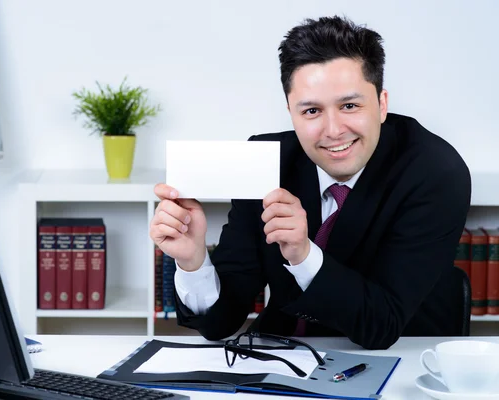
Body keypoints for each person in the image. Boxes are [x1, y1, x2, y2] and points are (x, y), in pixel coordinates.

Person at [149, 15, 471, 350]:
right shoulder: (266, 161)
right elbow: (221, 323)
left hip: (404, 354)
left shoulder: (435, 172)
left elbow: (381, 326)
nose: (333, 130)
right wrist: (193, 260)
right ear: (290, 111)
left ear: (381, 104)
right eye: (311, 111)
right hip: (285, 355)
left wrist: (303, 255)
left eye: (349, 105)